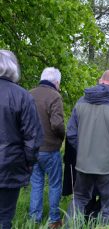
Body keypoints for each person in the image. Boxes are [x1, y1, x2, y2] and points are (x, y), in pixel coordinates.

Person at [66, 70, 109, 225]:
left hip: (84, 164)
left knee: (78, 199)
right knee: (108, 207)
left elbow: (71, 133)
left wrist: (84, 150)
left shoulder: (80, 102)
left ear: (100, 81)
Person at [0, 50, 43, 229]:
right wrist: (28, 163)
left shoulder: (22, 96)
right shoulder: (22, 96)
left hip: (10, 163)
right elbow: (33, 137)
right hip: (9, 166)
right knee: (4, 218)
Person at [29, 68, 65, 228]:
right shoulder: (54, 96)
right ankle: (54, 219)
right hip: (50, 149)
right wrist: (62, 136)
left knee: (36, 184)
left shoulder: (28, 94)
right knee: (55, 184)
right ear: (56, 82)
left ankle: (34, 218)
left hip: (32, 148)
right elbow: (57, 124)